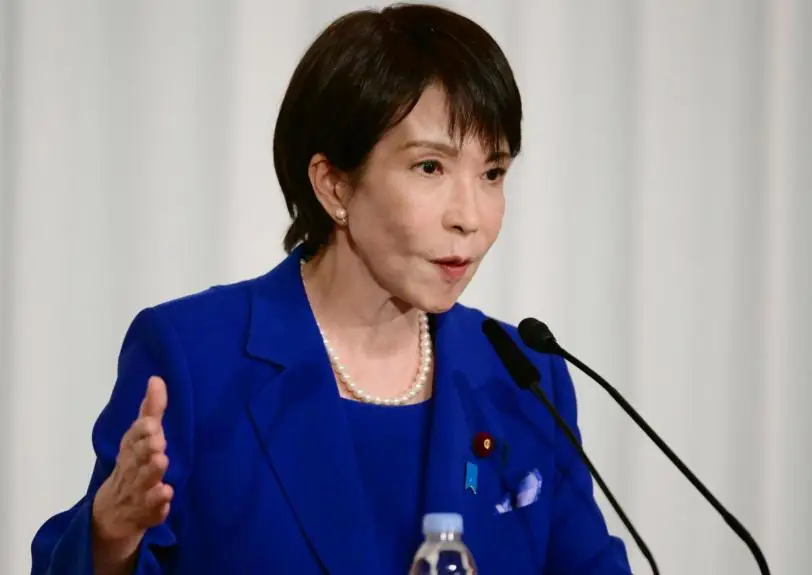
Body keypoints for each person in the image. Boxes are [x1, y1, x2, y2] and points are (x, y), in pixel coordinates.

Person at [31, 3, 632, 574]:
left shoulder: (522, 378)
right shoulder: (195, 359)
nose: (469, 216)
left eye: (493, 173)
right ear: (335, 186)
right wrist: (112, 533)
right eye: (430, 167)